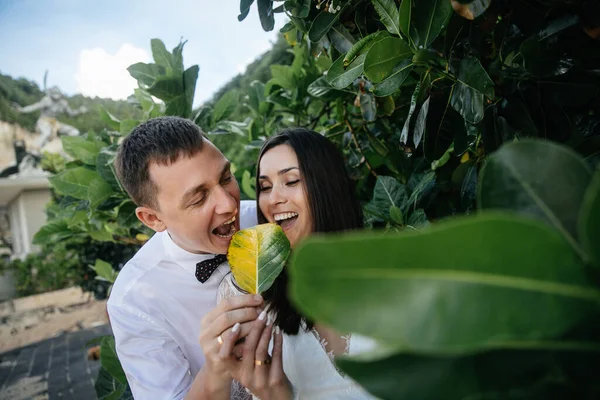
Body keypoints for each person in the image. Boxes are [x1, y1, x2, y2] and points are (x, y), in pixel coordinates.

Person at [107, 116, 265, 399]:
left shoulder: (265, 220)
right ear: (153, 218)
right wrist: (216, 369)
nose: (229, 204)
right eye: (199, 198)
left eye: (226, 178)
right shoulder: (134, 302)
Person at [216, 128, 377, 399]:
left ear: (328, 186)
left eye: (291, 181)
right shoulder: (263, 313)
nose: (274, 198)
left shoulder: (395, 276)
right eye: (265, 187)